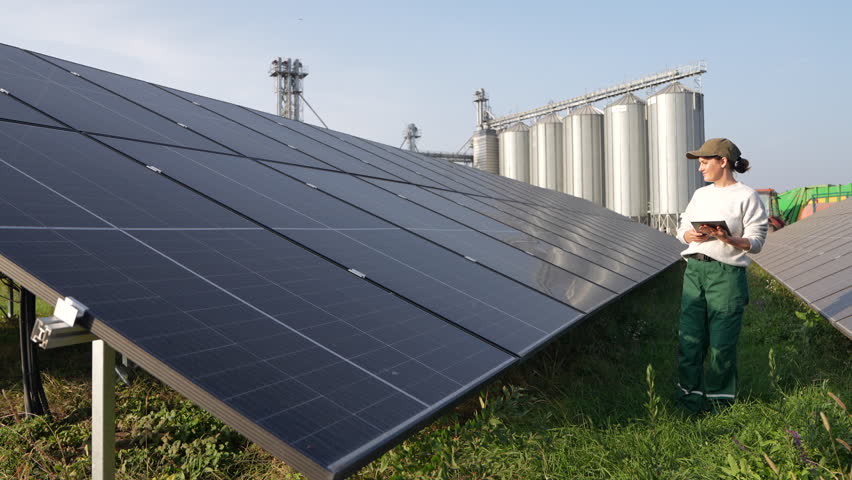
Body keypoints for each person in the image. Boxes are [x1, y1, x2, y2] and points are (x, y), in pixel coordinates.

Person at [674, 138, 769, 414]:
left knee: (721, 344)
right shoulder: (700, 195)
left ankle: (720, 407)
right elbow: (681, 229)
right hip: (695, 271)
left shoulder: (746, 196)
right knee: (689, 340)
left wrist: (728, 239)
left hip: (726, 275)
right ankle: (688, 401)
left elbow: (757, 241)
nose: (701, 168)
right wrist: (691, 234)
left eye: (705, 162)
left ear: (722, 161)